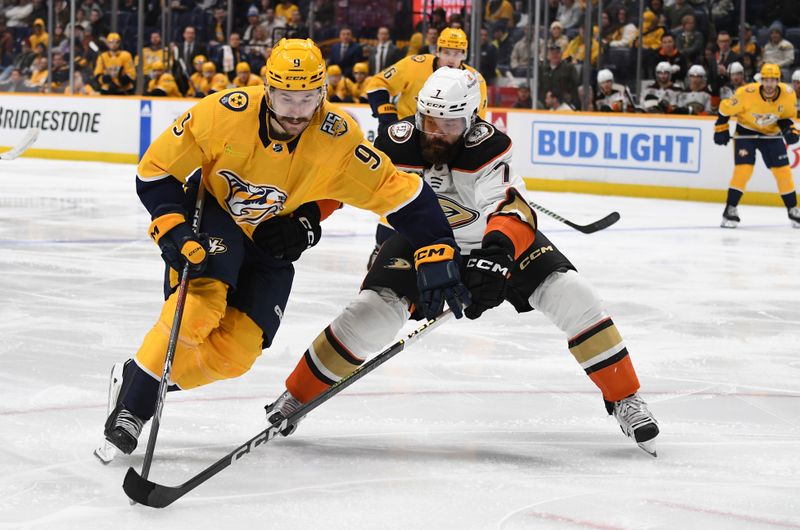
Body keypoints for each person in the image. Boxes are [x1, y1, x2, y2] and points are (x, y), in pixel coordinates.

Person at [95, 38, 470, 462]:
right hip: (217, 215)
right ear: (268, 90)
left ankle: (137, 377)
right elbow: (155, 170)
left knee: (236, 355)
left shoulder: (338, 137)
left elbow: (399, 193)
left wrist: (438, 247)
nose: (295, 110)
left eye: (307, 98)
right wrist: (172, 228)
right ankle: (134, 408)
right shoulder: (223, 112)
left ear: (322, 94)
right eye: (286, 97)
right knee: (201, 309)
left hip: (271, 240)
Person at [264, 67, 660, 456]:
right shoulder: (398, 142)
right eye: (429, 120)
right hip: (420, 240)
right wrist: (308, 217)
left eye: (448, 124)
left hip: (489, 241)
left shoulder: (488, 148)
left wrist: (497, 257)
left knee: (574, 295)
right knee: (369, 314)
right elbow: (347, 183)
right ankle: (296, 396)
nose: (435, 132)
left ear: (471, 120)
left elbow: (512, 210)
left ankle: (625, 397)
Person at [714, 63, 800, 228]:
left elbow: (785, 117)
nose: (769, 85)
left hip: (771, 134)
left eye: (773, 80)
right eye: (766, 80)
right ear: (761, 80)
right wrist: (721, 128)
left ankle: (793, 209)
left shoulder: (788, 94)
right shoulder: (746, 93)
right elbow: (725, 109)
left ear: (778, 81)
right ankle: (730, 209)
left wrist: (789, 130)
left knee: (783, 171)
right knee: (743, 169)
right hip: (747, 131)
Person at [365, 27, 487, 140]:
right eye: (446, 52)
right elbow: (378, 83)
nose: (451, 59)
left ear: (464, 54)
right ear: (437, 51)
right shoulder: (414, 65)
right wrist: (386, 113)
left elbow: (477, 121)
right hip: (407, 134)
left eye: (457, 53)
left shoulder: (475, 81)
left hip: (448, 141)